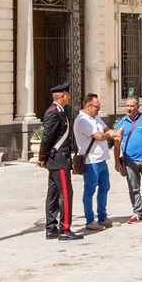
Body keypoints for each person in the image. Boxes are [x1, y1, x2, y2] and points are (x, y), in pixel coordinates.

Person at [38, 83, 81, 240]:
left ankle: (51, 228)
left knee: (54, 193)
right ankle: (64, 229)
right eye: (67, 94)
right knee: (66, 194)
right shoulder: (53, 113)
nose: (69, 96)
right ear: (63, 96)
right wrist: (42, 157)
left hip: (58, 159)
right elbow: (47, 137)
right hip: (59, 160)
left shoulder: (60, 112)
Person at [115, 96, 142, 223]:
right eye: (127, 106)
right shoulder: (121, 124)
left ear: (138, 106)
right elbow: (117, 143)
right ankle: (137, 212)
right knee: (133, 188)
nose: (129, 108)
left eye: (132, 106)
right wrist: (117, 161)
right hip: (129, 161)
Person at [73, 93, 112, 230]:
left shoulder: (96, 117)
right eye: (97, 106)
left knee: (105, 187)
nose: (99, 108)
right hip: (90, 161)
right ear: (88, 106)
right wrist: (109, 135)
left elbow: (107, 130)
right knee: (90, 190)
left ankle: (102, 216)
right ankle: (90, 220)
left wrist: (111, 133)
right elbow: (100, 136)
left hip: (101, 159)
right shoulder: (82, 120)